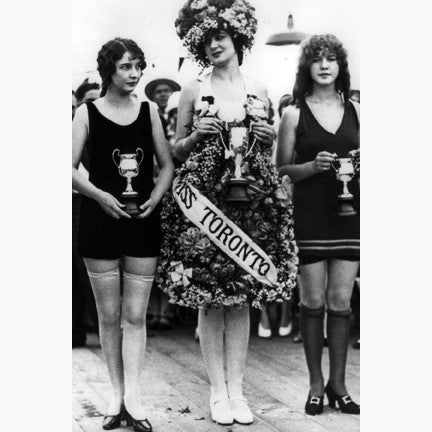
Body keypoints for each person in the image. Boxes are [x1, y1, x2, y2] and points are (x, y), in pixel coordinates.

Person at [157, 0, 298, 426]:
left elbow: (267, 151)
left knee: (240, 297)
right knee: (209, 296)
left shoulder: (260, 88)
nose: (214, 45)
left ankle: (237, 389)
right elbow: (175, 152)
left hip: (249, 198)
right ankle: (217, 389)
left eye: (220, 37)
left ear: (237, 38)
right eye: (206, 41)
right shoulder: (192, 89)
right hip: (204, 203)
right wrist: (196, 135)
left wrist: (267, 135)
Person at [72, 37, 174, 431]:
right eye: (125, 67)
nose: (133, 74)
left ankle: (134, 397)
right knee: (109, 316)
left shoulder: (148, 110)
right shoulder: (87, 113)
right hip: (100, 223)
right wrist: (100, 196)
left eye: (138, 66)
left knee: (135, 316)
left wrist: (155, 197)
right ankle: (115, 397)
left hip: (141, 220)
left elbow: (166, 166)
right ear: (109, 70)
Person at [277, 34, 360, 416]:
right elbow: (281, 169)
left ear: (340, 67)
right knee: (312, 302)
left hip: (350, 215)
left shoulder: (360, 110)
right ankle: (314, 384)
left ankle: (338, 384)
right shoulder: (293, 113)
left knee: (341, 302)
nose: (325, 66)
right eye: (317, 59)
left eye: (332, 59)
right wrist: (311, 167)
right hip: (309, 215)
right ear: (306, 67)